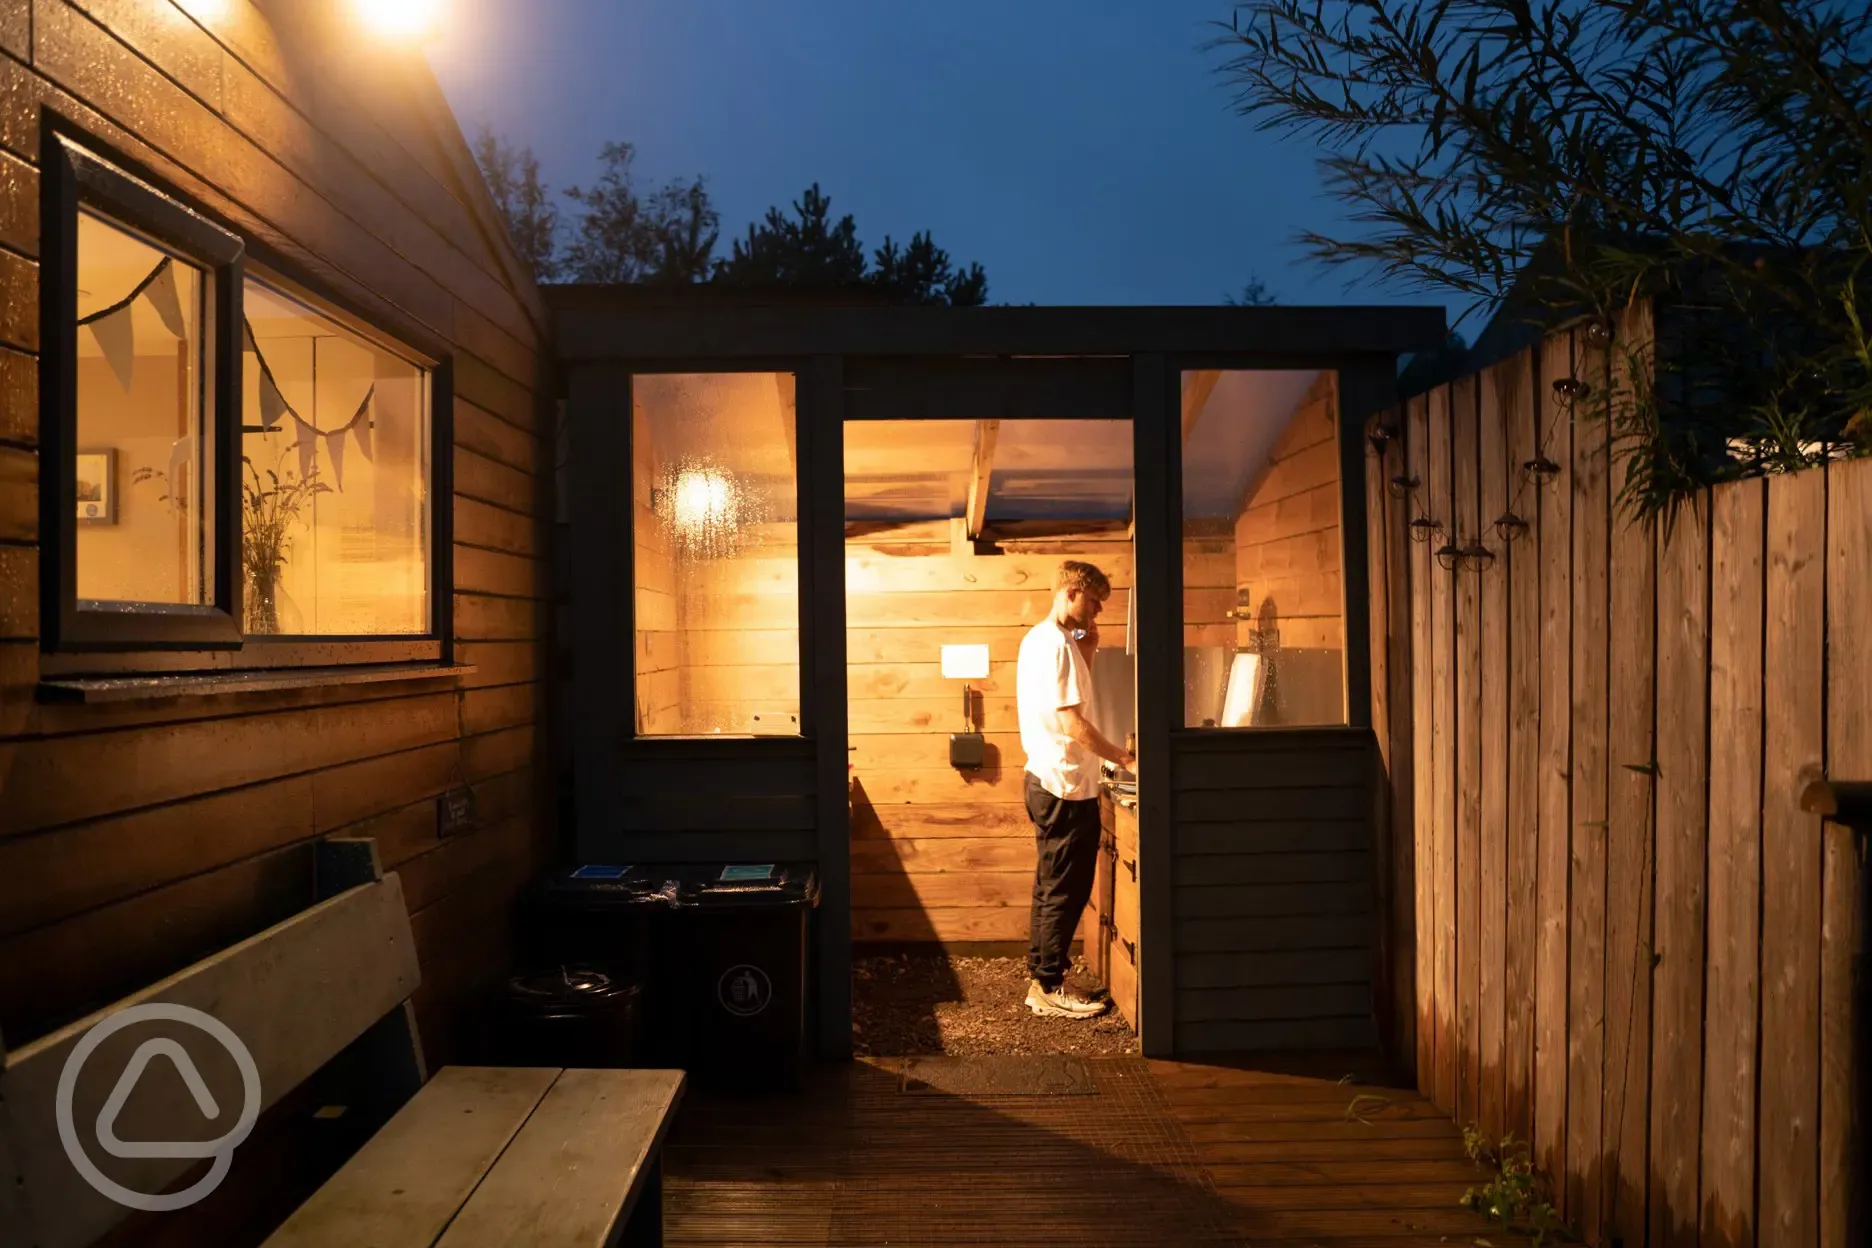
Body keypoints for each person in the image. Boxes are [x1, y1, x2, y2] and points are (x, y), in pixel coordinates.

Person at [1015, 560, 1136, 1018]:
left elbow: (1066, 700)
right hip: (1063, 786)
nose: (1098, 612)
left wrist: (1091, 647)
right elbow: (1071, 722)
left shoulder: (1042, 640)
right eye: (1094, 602)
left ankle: (1044, 977)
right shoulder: (1057, 645)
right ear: (1071, 591)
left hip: (1049, 779)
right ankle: (1047, 985)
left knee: (1052, 886)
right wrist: (1123, 758)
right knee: (1063, 888)